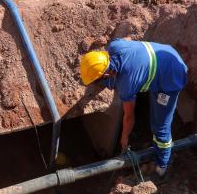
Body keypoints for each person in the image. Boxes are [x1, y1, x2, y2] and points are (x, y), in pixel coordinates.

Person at [79, 38, 187, 178]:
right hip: (166, 53)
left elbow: (129, 116)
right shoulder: (115, 45)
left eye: (98, 80)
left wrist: (124, 138)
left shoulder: (127, 85)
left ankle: (162, 165)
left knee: (160, 127)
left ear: (106, 74)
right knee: (151, 99)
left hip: (171, 78)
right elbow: (129, 42)